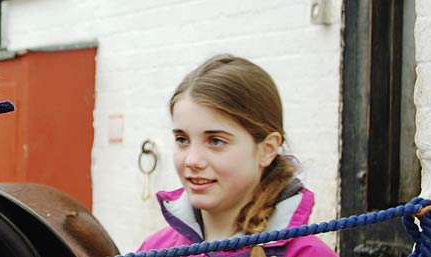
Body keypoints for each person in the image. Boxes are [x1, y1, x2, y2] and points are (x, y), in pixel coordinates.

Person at [137, 55, 337, 257]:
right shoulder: (155, 249)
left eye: (216, 141)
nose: (192, 160)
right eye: (182, 139)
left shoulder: (308, 253)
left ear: (267, 150)